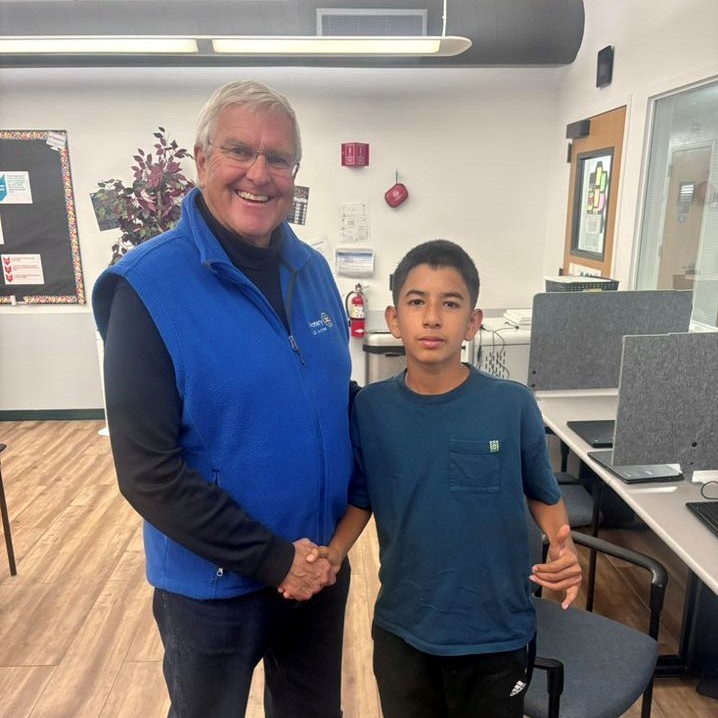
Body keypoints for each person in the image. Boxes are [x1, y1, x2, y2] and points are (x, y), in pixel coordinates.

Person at [92, 80, 355, 718]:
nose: (259, 174)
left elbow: (332, 400)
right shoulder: (146, 287)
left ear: (295, 174)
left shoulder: (313, 271)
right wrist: (272, 560)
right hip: (212, 591)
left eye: (279, 159)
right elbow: (147, 471)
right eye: (240, 151)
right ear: (202, 159)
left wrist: (331, 550)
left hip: (318, 570)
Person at [305, 239, 582, 718]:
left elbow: (542, 492)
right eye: (417, 302)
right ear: (394, 319)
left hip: (496, 632)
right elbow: (363, 497)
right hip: (405, 628)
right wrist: (334, 551)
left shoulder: (511, 404)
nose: (432, 318)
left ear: (473, 322)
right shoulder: (370, 409)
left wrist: (565, 548)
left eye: (450, 304)